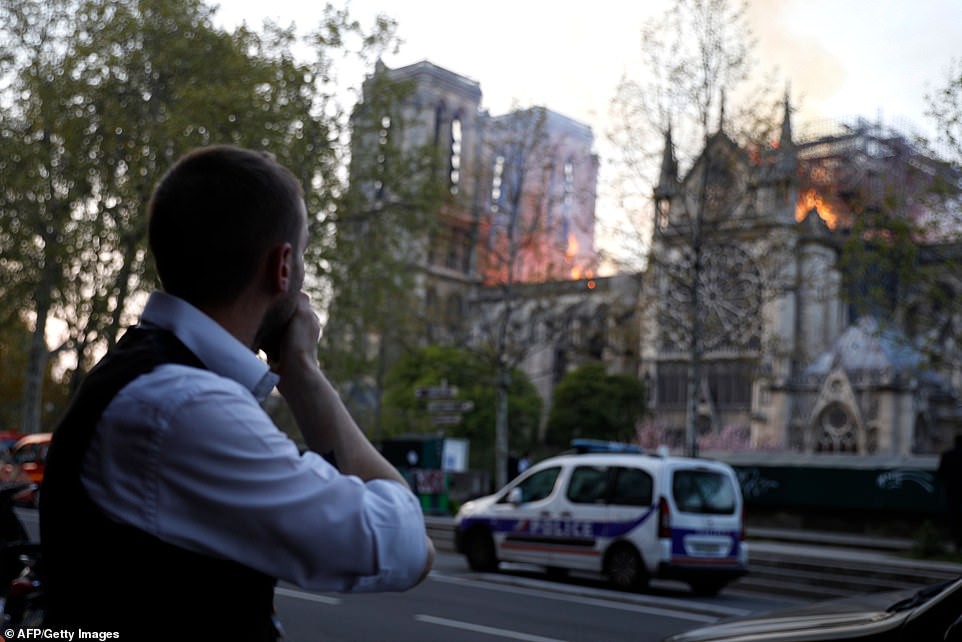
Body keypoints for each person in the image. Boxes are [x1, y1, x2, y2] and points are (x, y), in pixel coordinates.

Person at [40, 145, 434, 639]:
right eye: (306, 255)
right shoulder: (185, 407)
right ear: (283, 267)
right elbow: (406, 547)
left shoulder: (147, 373)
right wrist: (304, 372)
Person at [938, 434, 962, 551]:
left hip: (951, 491)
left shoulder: (947, 455)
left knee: (954, 516)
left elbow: (941, 474)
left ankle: (956, 541)